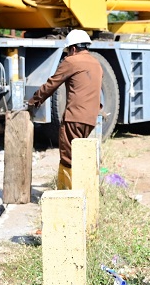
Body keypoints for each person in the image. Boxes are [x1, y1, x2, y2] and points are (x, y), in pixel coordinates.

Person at [25, 29, 102, 189]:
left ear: (73, 48)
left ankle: (68, 193)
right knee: (80, 155)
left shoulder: (71, 61)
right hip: (90, 119)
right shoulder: (96, 63)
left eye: (67, 50)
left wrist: (33, 101)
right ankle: (82, 189)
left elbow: (51, 84)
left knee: (68, 156)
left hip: (74, 118)